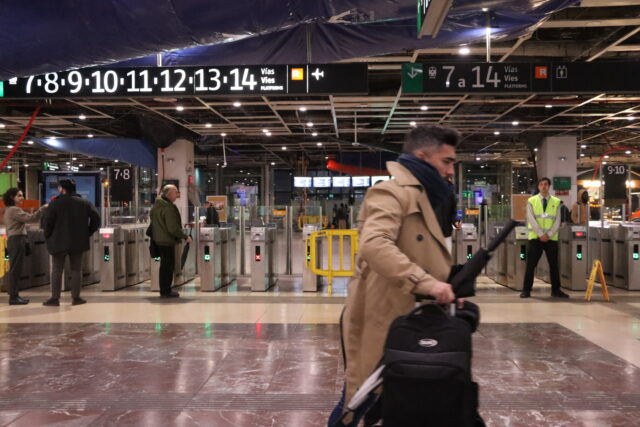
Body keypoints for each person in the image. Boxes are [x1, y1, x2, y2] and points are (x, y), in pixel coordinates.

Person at [330, 125, 460, 425]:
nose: (450, 170)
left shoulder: (426, 198)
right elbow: (375, 244)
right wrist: (427, 284)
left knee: (395, 401)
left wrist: (448, 287)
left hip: (411, 319)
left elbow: (422, 254)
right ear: (422, 157)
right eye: (446, 161)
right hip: (382, 317)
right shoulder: (390, 192)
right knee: (358, 401)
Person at [42, 179, 100, 306]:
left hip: (58, 242)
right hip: (78, 242)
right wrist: (87, 232)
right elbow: (96, 219)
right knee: (76, 270)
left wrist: (48, 237)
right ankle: (76, 297)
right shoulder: (85, 203)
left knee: (57, 270)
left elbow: (47, 223)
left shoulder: (55, 203)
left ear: (62, 189)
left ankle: (55, 298)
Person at [520, 177, 569, 299]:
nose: (543, 186)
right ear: (538, 187)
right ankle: (526, 290)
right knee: (531, 265)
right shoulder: (531, 201)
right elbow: (531, 219)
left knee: (554, 265)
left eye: (546, 184)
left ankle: (556, 290)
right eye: (541, 184)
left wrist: (549, 234)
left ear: (549, 186)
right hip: (535, 238)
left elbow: (557, 220)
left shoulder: (556, 202)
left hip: (551, 239)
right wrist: (540, 234)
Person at [2, 188, 47, 305]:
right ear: (12, 197)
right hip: (17, 240)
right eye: (19, 195)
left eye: (22, 195)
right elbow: (31, 218)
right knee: (15, 269)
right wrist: (41, 209)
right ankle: (13, 297)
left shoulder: (9, 209)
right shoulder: (14, 210)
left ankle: (15, 295)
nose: (22, 198)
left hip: (14, 240)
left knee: (15, 268)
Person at [150, 185, 192, 298]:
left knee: (164, 266)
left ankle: (164, 289)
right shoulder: (167, 207)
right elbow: (172, 227)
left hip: (159, 239)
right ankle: (166, 291)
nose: (177, 194)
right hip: (166, 240)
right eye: (176, 192)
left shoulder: (157, 205)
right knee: (167, 266)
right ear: (169, 194)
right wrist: (185, 236)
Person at [435, 178, 461, 254]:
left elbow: (453, 211)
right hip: (432, 235)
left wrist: (456, 221)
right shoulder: (429, 192)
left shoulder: (450, 194)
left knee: (446, 257)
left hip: (446, 234)